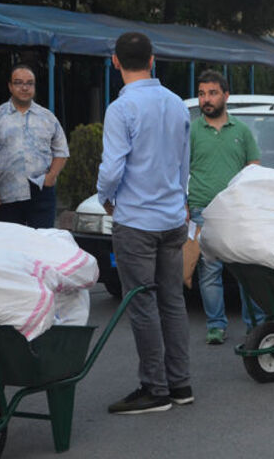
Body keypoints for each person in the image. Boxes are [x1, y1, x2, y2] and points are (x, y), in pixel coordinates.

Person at [99, 32, 192, 413]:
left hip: (137, 220)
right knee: (172, 301)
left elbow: (112, 167)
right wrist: (180, 200)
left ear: (115, 61)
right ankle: (180, 384)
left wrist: (106, 197)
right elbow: (185, 162)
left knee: (142, 303)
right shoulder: (177, 104)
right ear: (152, 59)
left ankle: (154, 390)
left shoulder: (121, 109)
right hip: (173, 218)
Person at [187, 69, 263, 345]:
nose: (206, 99)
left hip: (236, 212)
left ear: (225, 96)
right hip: (201, 211)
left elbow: (253, 167)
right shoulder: (192, 130)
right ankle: (216, 325)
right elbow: (179, 170)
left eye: (212, 93)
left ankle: (255, 324)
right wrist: (184, 207)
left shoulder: (241, 131)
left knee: (246, 269)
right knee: (209, 271)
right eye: (202, 93)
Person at [0, 65, 69, 228]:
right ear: (10, 86)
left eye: (29, 83)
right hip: (7, 195)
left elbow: (61, 150)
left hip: (41, 190)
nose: (24, 87)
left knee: (42, 244)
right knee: (12, 247)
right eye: (18, 83)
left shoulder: (47, 117)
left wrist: (51, 177)